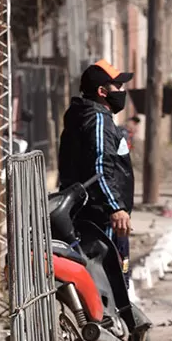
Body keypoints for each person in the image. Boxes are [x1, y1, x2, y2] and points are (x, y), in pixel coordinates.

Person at [59, 60, 136, 269]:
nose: (122, 91)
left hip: (87, 214)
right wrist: (116, 207)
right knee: (113, 276)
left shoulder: (81, 114)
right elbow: (100, 169)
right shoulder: (98, 120)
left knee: (104, 275)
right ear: (102, 91)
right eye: (117, 86)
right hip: (103, 218)